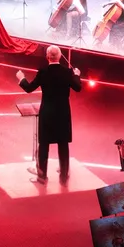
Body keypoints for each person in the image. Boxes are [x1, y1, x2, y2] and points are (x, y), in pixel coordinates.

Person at [17, 44, 83, 181]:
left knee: (44, 144)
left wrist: (21, 78)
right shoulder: (67, 72)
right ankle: (64, 175)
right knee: (63, 144)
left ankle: (42, 176)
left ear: (47, 57)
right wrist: (76, 75)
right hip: (63, 113)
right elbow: (77, 87)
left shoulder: (43, 72)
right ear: (60, 56)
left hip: (47, 113)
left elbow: (29, 88)